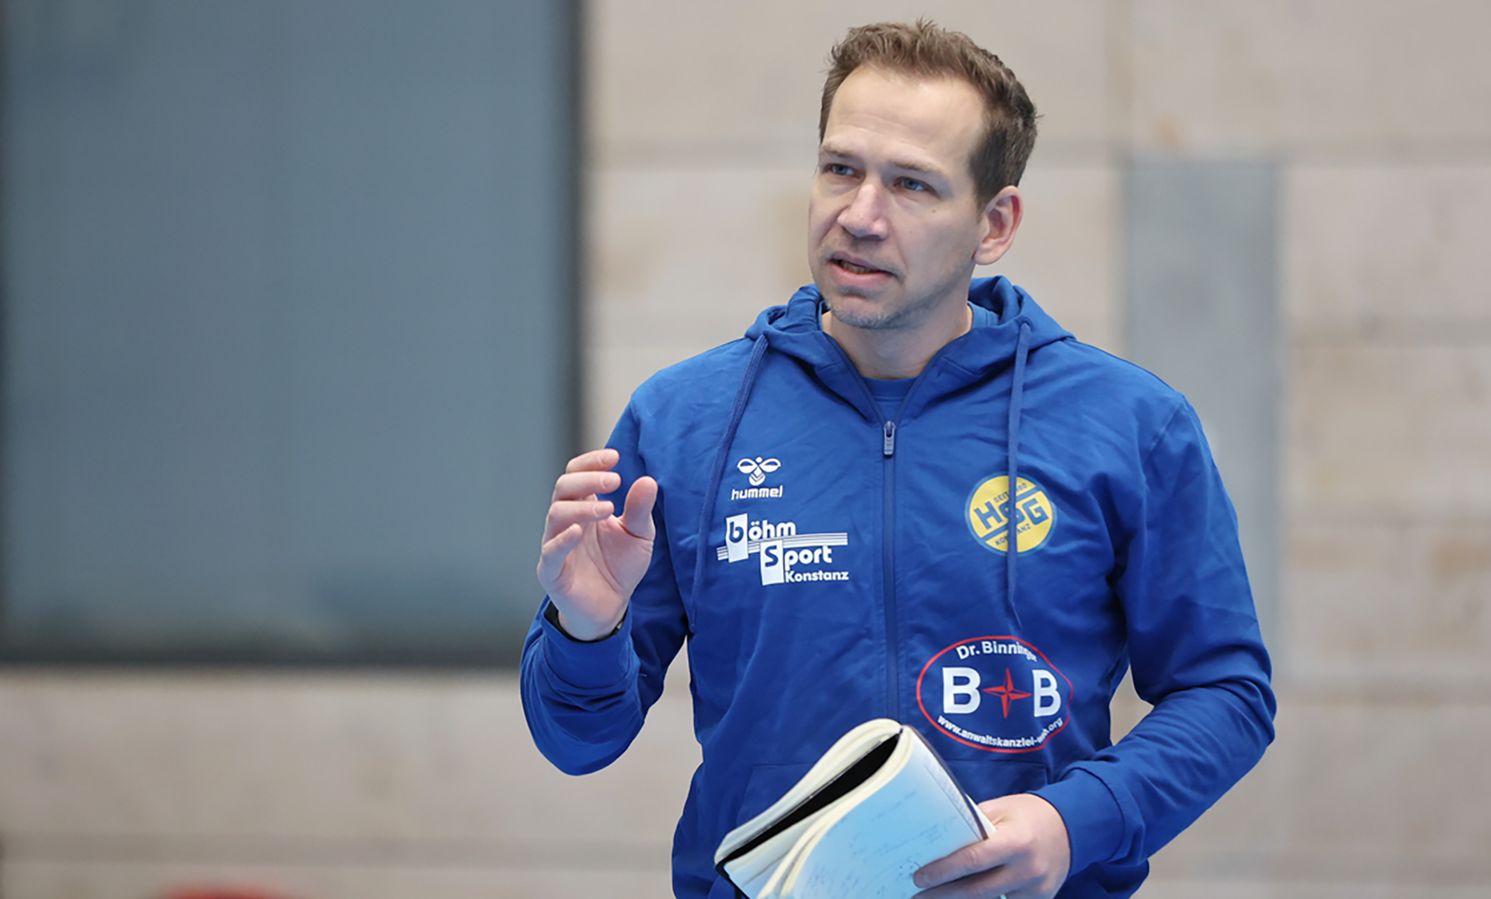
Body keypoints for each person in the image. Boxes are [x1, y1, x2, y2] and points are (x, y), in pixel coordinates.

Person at [521, 20, 1275, 899]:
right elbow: (578, 741)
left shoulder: (1129, 425)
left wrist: (1076, 818)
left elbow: (1225, 691)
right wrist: (585, 628)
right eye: (841, 169)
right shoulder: (683, 421)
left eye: (912, 184)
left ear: (994, 223)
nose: (860, 216)